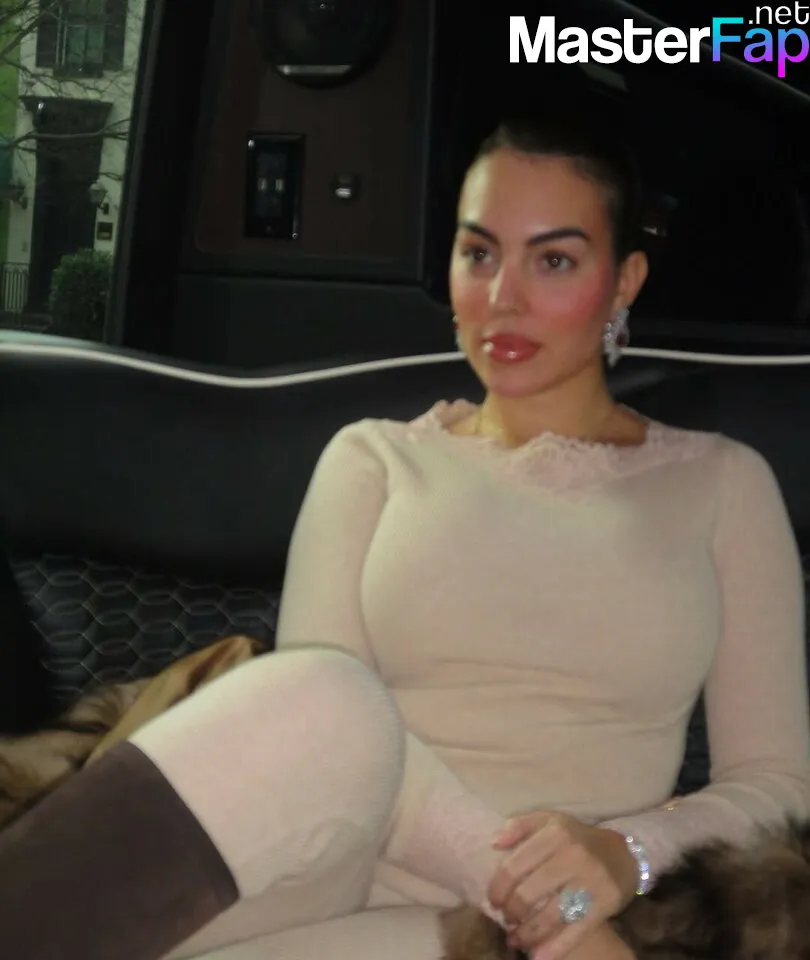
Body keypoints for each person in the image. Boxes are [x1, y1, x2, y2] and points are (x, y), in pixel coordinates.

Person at [1, 111, 809, 960]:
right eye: (479, 254)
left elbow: (777, 783)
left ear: (624, 282)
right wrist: (556, 911)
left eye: (554, 261)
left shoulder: (723, 483)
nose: (503, 296)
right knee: (325, 697)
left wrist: (624, 854)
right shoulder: (374, 460)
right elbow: (322, 746)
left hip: (467, 936)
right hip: (322, 871)